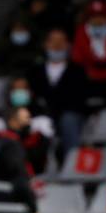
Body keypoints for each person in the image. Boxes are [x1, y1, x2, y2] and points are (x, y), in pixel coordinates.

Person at [28, 28, 89, 159]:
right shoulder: (35, 71)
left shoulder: (78, 71)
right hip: (41, 115)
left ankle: (72, 163)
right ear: (45, 44)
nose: (57, 45)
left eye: (61, 41)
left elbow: (79, 99)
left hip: (68, 115)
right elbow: (32, 97)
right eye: (53, 41)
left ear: (68, 45)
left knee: (69, 120)